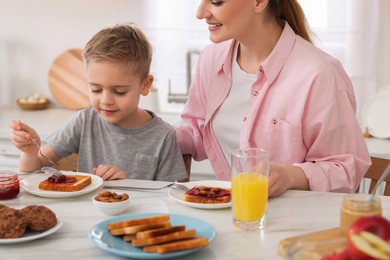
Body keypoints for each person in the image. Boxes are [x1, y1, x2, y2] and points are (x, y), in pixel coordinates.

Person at [174, 0, 371, 197]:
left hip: (297, 222)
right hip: (234, 214)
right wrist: (146, 125)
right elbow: (197, 132)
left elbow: (346, 168)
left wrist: (289, 176)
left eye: (216, 1)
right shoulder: (211, 59)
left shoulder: (320, 73)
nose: (200, 13)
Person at [9, 23, 187, 182]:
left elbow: (172, 199)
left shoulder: (163, 136)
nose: (106, 101)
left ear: (145, 85)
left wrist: (128, 186)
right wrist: (30, 152)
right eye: (96, 89)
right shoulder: (85, 120)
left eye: (119, 91)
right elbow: (33, 173)